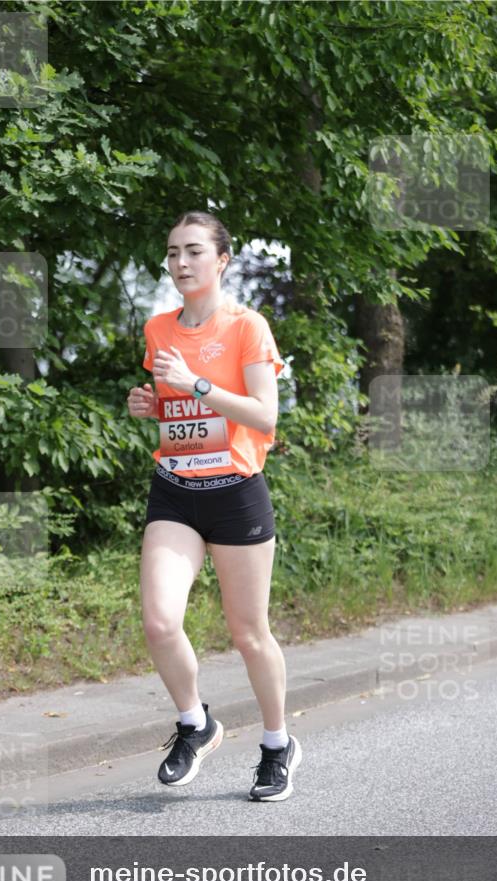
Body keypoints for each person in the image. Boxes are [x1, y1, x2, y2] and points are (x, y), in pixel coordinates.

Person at [127, 210, 302, 802]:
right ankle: (194, 723)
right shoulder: (158, 330)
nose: (181, 262)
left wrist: (197, 383)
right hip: (175, 489)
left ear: (221, 260)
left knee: (249, 633)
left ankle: (278, 745)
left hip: (234, 493)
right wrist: (150, 404)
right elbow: (175, 407)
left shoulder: (247, 327)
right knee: (158, 621)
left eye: (194, 251)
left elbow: (264, 415)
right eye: (173, 251)